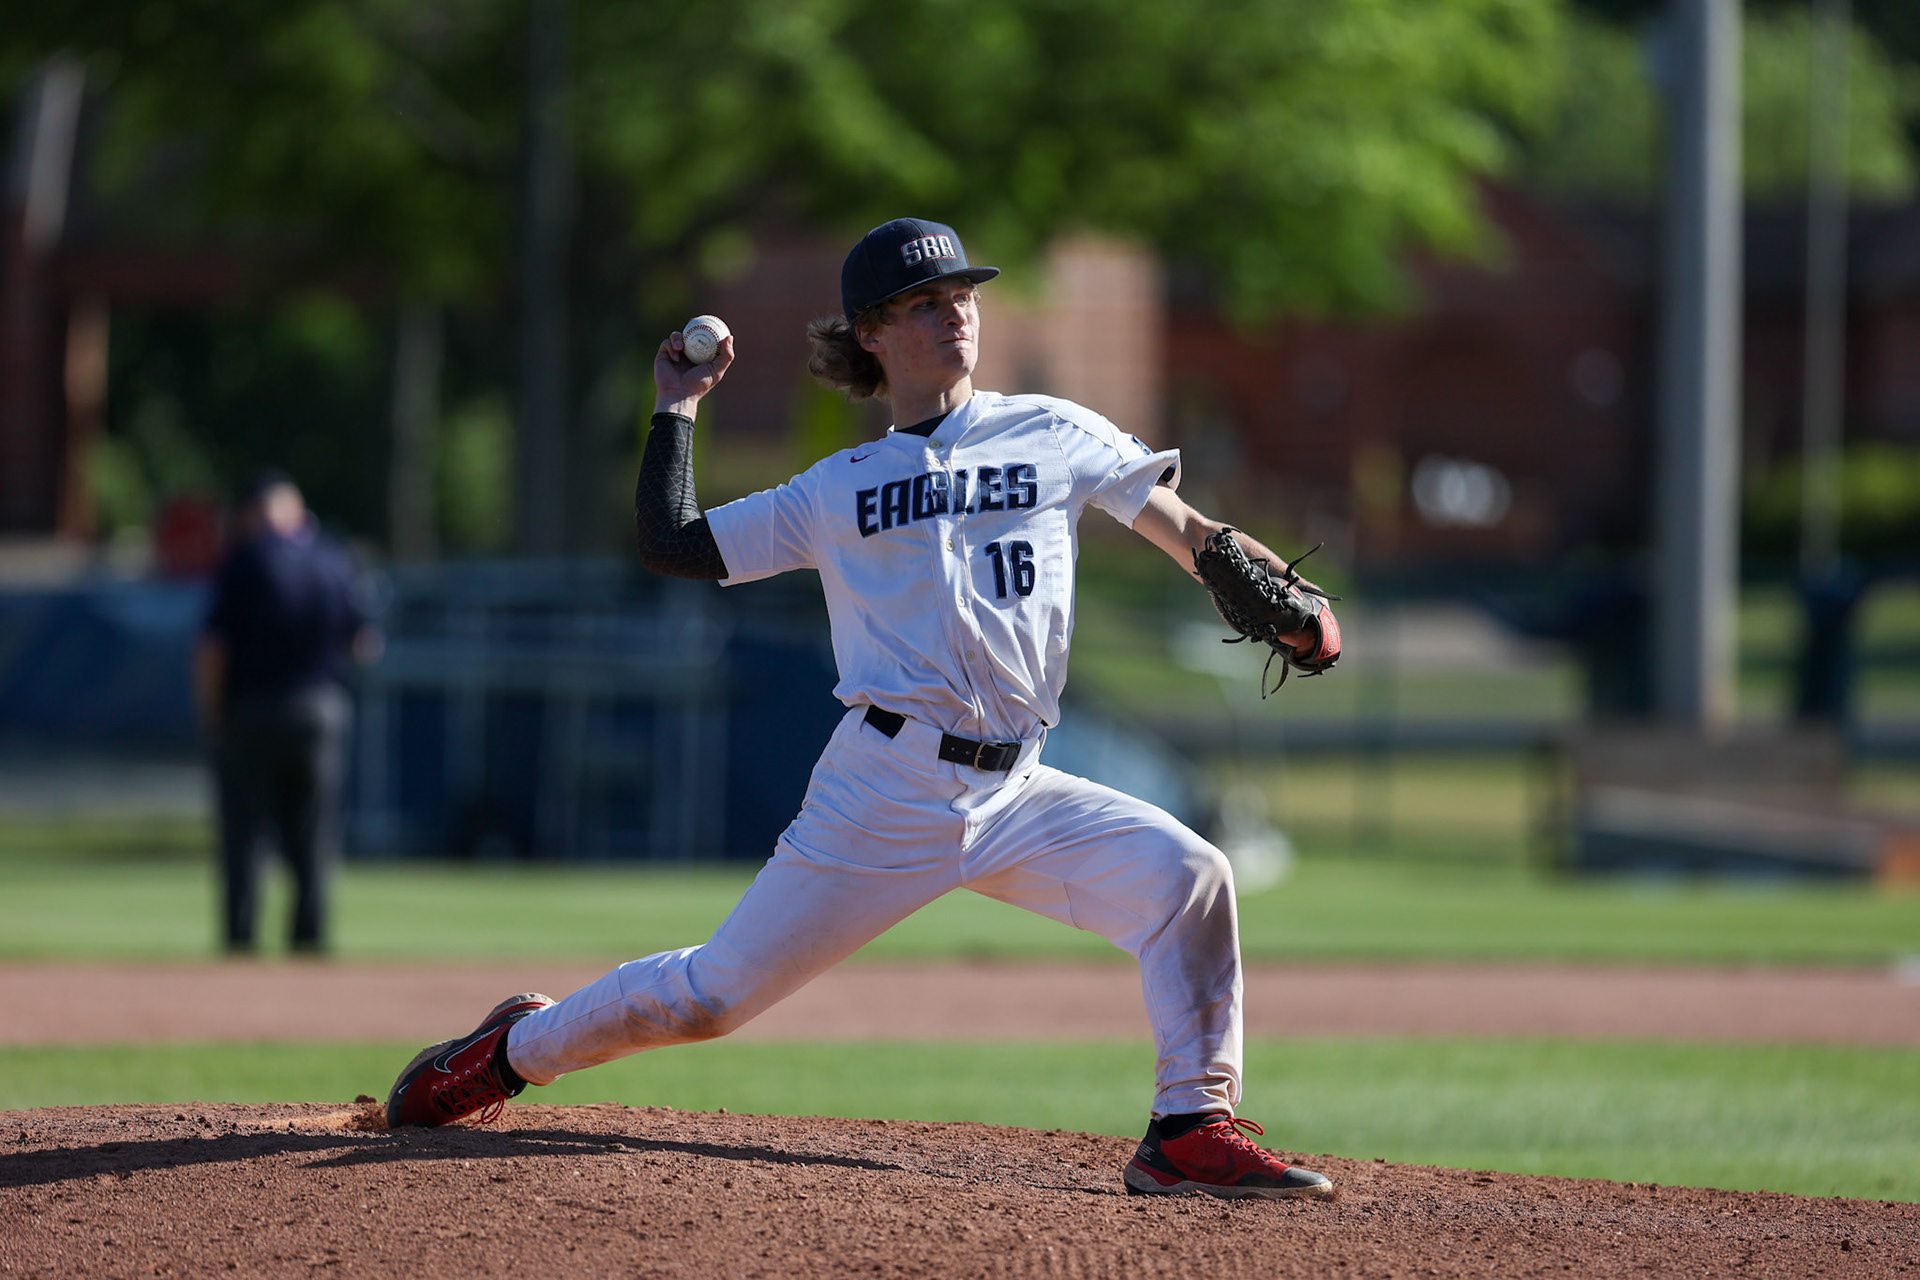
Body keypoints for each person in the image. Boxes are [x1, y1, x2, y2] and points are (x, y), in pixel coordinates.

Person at [386, 218, 1341, 1201]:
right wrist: (675, 409)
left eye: (962, 294)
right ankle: (511, 1049)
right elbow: (672, 542)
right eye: (924, 302)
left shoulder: (1053, 430)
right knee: (713, 995)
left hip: (1017, 784)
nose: (954, 313)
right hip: (884, 786)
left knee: (1189, 873)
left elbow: (1192, 533)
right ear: (871, 334)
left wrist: (1289, 599)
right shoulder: (836, 488)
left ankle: (1189, 1126)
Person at [197, 470, 379, 955]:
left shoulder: (244, 560)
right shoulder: (334, 558)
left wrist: (213, 714)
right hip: (319, 710)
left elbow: (214, 648)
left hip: (251, 712)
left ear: (257, 512)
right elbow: (364, 643)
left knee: (245, 834)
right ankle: (309, 941)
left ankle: (241, 942)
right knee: (313, 834)